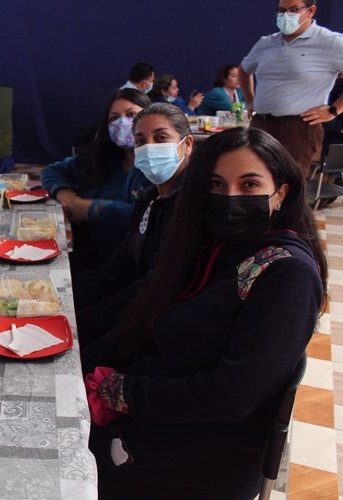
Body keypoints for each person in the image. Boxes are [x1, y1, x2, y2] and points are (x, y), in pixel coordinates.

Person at [83, 127, 327, 499]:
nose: (229, 197)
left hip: (200, 454)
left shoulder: (286, 273)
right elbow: (136, 310)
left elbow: (233, 395)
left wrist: (123, 392)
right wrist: (75, 346)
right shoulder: (209, 249)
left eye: (249, 185)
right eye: (215, 184)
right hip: (157, 412)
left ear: (280, 194)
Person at [75, 103, 194, 346]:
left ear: (188, 144)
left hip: (157, 324)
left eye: (161, 138)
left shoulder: (188, 207)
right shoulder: (150, 196)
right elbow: (124, 258)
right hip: (130, 302)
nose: (150, 148)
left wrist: (83, 319)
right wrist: (74, 303)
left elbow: (155, 288)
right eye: (140, 141)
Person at [41, 88, 152, 282]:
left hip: (134, 267)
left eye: (132, 114)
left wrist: (94, 209)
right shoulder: (102, 159)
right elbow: (52, 171)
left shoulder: (159, 167)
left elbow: (149, 216)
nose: (123, 123)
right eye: (114, 118)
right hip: (93, 254)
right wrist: (65, 194)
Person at [239, 0, 343, 177]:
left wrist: (334, 110)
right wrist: (250, 99)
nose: (286, 15)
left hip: (298, 127)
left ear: (311, 11)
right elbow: (244, 69)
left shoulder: (331, 42)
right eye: (281, 10)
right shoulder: (266, 43)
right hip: (262, 124)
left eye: (294, 10)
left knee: (289, 184)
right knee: (253, 179)